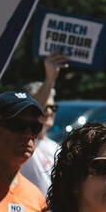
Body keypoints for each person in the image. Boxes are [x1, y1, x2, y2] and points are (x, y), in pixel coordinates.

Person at [20, 50, 69, 196]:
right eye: (44, 107)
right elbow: (33, 115)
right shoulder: (23, 141)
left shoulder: (56, 147)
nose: (48, 112)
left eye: (52, 107)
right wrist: (50, 79)